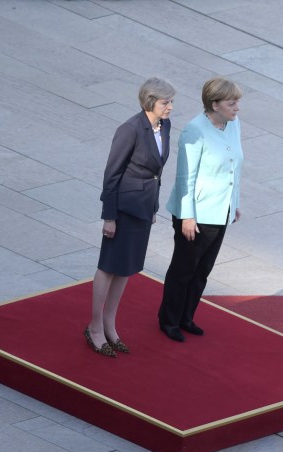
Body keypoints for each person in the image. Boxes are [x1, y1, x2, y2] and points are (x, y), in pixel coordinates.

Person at [85, 77, 175, 357]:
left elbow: (156, 172)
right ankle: (95, 327)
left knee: (127, 266)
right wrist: (108, 216)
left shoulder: (164, 125)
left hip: (142, 208)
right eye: (165, 102)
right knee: (109, 265)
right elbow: (111, 175)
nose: (171, 106)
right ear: (150, 102)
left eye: (171, 101)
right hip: (123, 208)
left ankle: (110, 325)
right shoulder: (130, 129)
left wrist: (153, 207)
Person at [158, 76, 243, 342]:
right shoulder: (195, 130)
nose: (237, 107)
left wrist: (235, 203)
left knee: (202, 270)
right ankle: (169, 320)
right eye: (232, 103)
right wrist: (187, 216)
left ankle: (187, 317)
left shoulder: (233, 123)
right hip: (195, 215)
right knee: (183, 269)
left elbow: (234, 164)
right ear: (215, 105)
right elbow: (186, 177)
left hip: (220, 212)